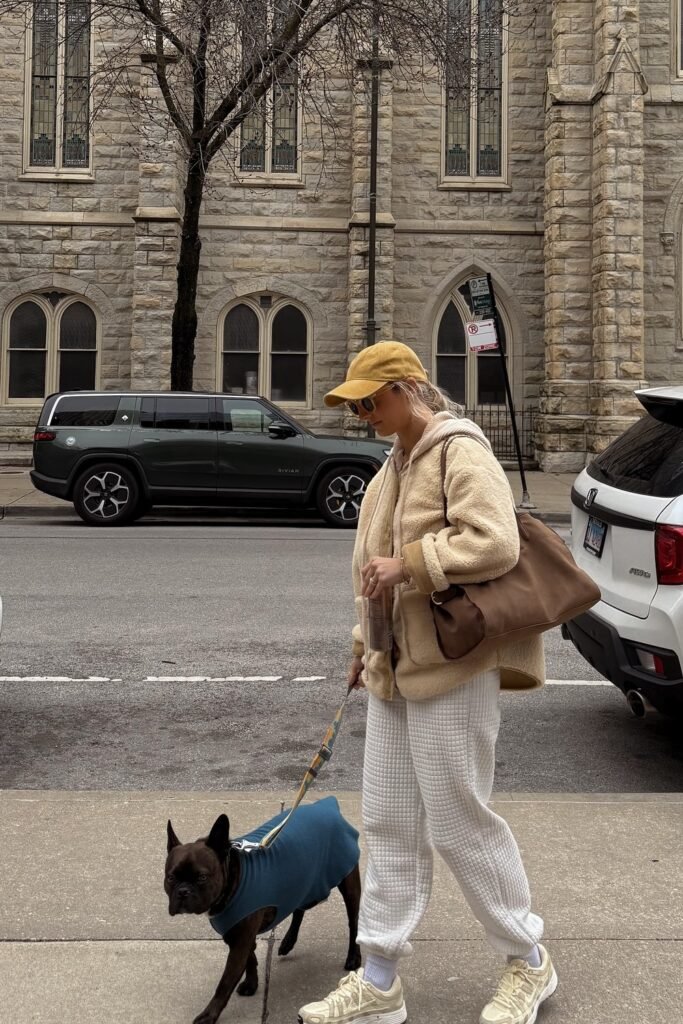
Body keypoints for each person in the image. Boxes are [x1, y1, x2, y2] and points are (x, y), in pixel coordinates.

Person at [298, 342, 557, 1024]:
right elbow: (368, 570)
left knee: (458, 822)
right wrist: (362, 643)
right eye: (354, 404)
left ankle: (529, 961)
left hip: (453, 660)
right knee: (386, 822)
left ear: (407, 389)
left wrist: (412, 563)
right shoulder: (392, 466)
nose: (360, 413)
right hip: (394, 664)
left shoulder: (458, 449)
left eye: (369, 400)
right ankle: (378, 976)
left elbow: (495, 541)